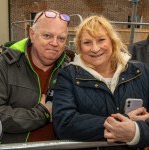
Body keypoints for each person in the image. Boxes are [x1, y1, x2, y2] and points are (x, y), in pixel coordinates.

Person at [52, 15, 149, 150]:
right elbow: (64, 123)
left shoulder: (140, 71)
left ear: (112, 41)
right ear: (79, 46)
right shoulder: (69, 75)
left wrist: (137, 132)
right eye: (87, 42)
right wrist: (125, 121)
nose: (95, 48)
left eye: (101, 40)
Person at [0, 9, 70, 143]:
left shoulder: (69, 71)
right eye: (47, 36)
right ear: (32, 34)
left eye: (61, 38)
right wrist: (41, 114)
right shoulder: (4, 66)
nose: (55, 43)